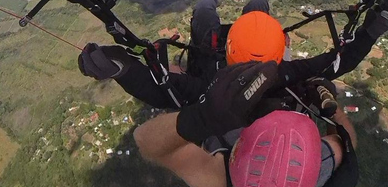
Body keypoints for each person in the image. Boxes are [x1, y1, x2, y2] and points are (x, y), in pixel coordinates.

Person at [78, 0, 388, 109]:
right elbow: (337, 63)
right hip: (231, 48)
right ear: (279, 51)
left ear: (229, 43)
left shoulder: (213, 89)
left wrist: (120, 68)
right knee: (258, 6)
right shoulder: (285, 74)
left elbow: (163, 93)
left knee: (204, 10)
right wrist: (372, 30)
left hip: (207, 53)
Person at [133, 61, 359, 187]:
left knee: (176, 70)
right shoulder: (323, 170)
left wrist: (202, 117)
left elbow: (144, 140)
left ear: (234, 160)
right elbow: (345, 139)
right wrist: (327, 103)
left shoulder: (217, 179)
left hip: (218, 124)